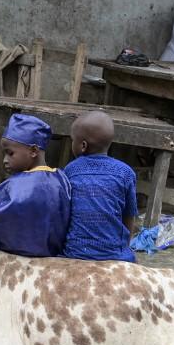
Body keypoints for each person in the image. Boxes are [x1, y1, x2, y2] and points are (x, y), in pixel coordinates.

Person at [0, 114, 71, 257]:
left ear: (33, 151)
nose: (5, 160)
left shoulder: (15, 185)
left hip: (16, 258)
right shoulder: (62, 179)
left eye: (10, 153)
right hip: (53, 257)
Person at [63, 111, 138, 263]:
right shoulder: (125, 172)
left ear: (83, 145)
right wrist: (126, 247)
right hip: (116, 255)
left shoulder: (70, 171)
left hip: (76, 253)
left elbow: (65, 215)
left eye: (73, 140)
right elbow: (129, 215)